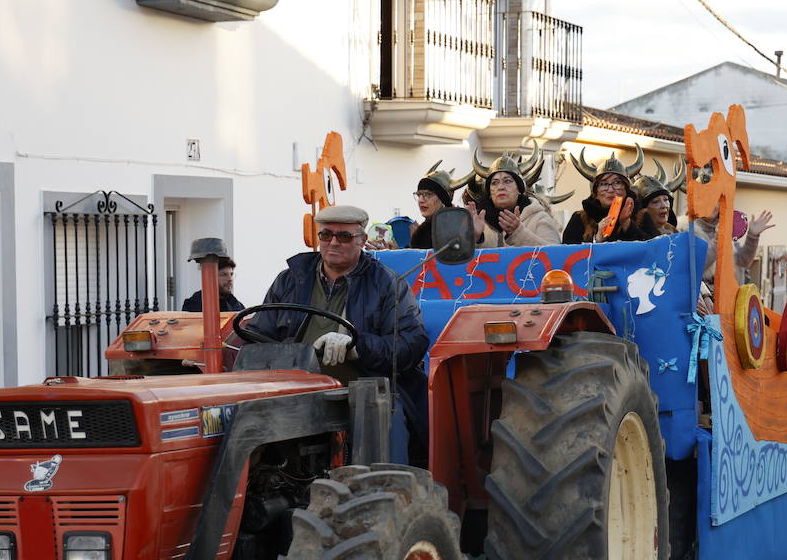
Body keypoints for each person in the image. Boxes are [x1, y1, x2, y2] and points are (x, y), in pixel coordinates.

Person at [253, 205, 428, 463]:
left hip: (362, 385)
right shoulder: (290, 279)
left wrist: (357, 346)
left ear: (362, 241)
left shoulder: (388, 283)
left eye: (344, 237)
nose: (333, 242)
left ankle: (388, 493)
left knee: (385, 413)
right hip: (295, 385)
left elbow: (410, 344)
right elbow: (258, 334)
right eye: (326, 235)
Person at [465, 154, 561, 248]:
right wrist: (476, 238)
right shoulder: (478, 222)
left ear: (519, 189)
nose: (500, 187)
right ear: (489, 193)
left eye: (507, 181)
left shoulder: (539, 218)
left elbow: (556, 256)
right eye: (494, 183)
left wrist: (518, 232)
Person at [562, 148, 653, 244]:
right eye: (603, 184)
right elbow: (567, 254)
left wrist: (627, 224)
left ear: (626, 189)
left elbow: (654, 249)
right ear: (596, 192)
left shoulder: (642, 216)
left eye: (617, 183)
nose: (610, 189)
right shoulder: (579, 219)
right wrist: (597, 239)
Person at [180, 238, 245, 312]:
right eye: (224, 274)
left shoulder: (235, 305)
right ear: (210, 276)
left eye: (231, 274)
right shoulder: (194, 305)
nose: (230, 279)